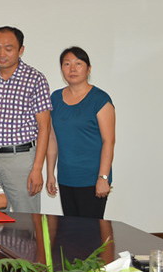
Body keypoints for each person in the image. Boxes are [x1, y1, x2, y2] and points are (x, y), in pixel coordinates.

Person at [0, 26, 51, 213]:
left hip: (21, 159)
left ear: (21, 50)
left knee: (26, 219)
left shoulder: (35, 79)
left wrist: (37, 169)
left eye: (8, 48)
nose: (1, 54)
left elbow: (44, 127)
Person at [46, 47, 115, 218]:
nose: (72, 69)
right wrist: (50, 174)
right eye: (67, 64)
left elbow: (108, 141)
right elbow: (52, 138)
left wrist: (103, 178)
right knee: (71, 228)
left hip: (92, 178)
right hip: (66, 177)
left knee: (91, 229)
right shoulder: (55, 98)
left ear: (88, 69)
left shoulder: (100, 99)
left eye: (78, 64)